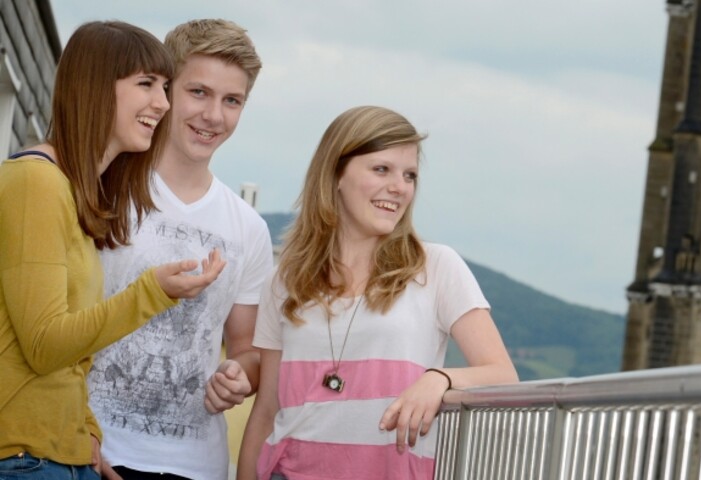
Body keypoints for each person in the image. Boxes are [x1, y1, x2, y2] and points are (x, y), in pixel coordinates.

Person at [237, 106, 519, 480]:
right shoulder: (285, 281)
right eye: (381, 169)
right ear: (336, 173)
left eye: (410, 175)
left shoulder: (436, 267)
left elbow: (502, 374)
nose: (400, 187)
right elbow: (267, 409)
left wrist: (440, 378)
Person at [0, 21, 226, 480]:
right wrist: (152, 292)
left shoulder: (73, 194)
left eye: (164, 87)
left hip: (62, 455)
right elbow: (44, 345)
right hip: (24, 458)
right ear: (95, 88)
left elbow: (68, 358)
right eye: (146, 84)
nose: (162, 103)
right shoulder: (35, 182)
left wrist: (84, 430)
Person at [86, 19, 273, 480]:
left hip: (195, 468)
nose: (214, 116)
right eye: (199, 93)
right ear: (166, 91)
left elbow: (248, 348)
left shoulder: (248, 228)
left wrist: (240, 376)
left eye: (232, 101)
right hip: (92, 452)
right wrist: (71, 430)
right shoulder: (102, 193)